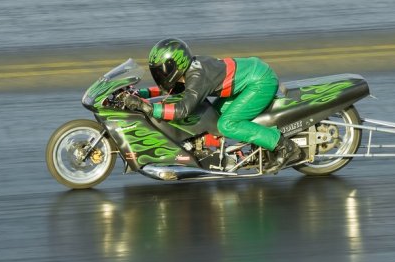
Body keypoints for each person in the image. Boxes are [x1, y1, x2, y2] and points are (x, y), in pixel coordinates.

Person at [122, 38, 302, 174]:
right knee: (211, 119)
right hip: (246, 81)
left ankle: (285, 147)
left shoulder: (198, 76)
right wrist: (141, 94)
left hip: (260, 82)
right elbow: (170, 91)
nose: (160, 74)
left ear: (175, 66)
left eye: (162, 69)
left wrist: (148, 108)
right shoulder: (187, 71)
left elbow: (182, 109)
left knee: (227, 124)